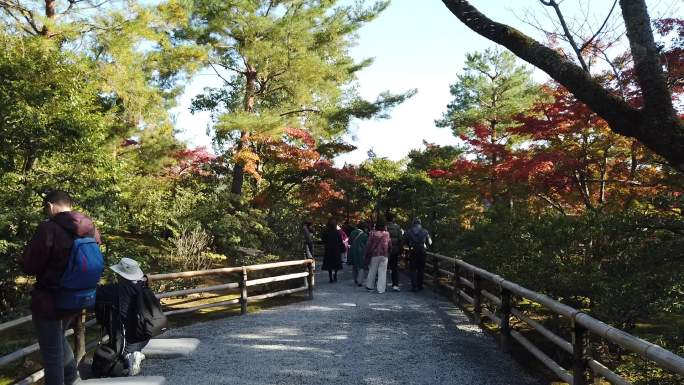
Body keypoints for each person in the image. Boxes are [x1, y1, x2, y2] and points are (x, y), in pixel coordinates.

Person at [20, 190, 101, 385]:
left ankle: (68, 380)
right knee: (58, 342)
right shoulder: (90, 228)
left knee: (51, 355)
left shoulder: (48, 229)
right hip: (78, 297)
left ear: (50, 206)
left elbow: (30, 266)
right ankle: (73, 379)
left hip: (50, 300)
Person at [95, 258, 150, 376]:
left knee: (124, 353)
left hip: (128, 332)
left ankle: (131, 359)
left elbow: (97, 293)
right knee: (130, 349)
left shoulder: (116, 289)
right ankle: (134, 356)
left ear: (121, 275)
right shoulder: (142, 286)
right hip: (144, 330)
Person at [364, 218, 392, 294]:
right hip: (384, 255)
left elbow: (368, 244)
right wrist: (389, 252)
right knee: (382, 272)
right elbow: (389, 244)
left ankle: (370, 287)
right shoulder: (387, 234)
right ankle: (381, 289)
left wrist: (366, 253)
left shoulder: (372, 233)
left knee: (372, 270)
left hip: (375, 254)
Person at [404, 218, 432, 292]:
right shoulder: (425, 231)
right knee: (421, 269)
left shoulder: (409, 231)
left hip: (413, 251)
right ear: (420, 223)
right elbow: (430, 242)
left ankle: (414, 286)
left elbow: (405, 241)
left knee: (413, 269)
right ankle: (420, 285)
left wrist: (409, 245)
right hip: (422, 251)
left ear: (413, 223)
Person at [321, 218, 344, 283]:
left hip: (328, 249)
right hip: (336, 249)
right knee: (336, 263)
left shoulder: (326, 232)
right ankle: (335, 275)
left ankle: (330, 277)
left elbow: (323, 240)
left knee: (329, 264)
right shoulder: (337, 232)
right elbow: (340, 240)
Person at [347, 222, 369, 286]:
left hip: (352, 251)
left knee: (354, 265)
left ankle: (355, 279)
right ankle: (360, 281)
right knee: (361, 266)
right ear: (364, 228)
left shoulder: (352, 232)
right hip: (361, 251)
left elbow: (349, 242)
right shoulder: (364, 235)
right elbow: (367, 244)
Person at [386, 214, 404, 291]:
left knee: (382, 267)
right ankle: (395, 285)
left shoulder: (384, 227)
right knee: (394, 268)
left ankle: (380, 284)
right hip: (394, 250)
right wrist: (401, 249)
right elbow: (401, 239)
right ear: (393, 219)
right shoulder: (397, 227)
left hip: (385, 250)